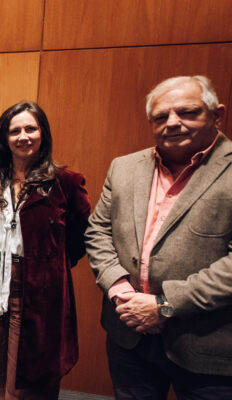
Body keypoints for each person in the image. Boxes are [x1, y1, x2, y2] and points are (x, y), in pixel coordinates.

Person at [85, 75, 232, 399]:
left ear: (217, 114)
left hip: (206, 345)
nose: (173, 123)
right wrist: (121, 291)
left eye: (188, 112)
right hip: (128, 335)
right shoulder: (124, 168)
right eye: (161, 116)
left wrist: (164, 305)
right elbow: (98, 231)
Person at [0, 101, 91, 399]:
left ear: (42, 134)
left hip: (38, 292)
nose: (23, 136)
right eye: (15, 130)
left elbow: (81, 235)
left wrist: (48, 269)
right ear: (4, 138)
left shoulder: (64, 182)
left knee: (29, 375)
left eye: (30, 128)